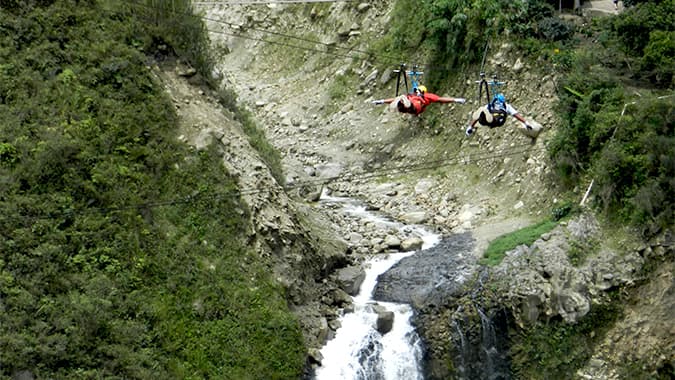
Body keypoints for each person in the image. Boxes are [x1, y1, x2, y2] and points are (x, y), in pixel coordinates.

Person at [465, 93, 541, 138]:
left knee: (481, 112)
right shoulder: (506, 106)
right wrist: (526, 123)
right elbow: (516, 115)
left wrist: (470, 126)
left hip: (490, 121)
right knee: (483, 115)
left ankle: (472, 128)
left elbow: (478, 116)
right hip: (499, 122)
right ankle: (473, 127)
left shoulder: (490, 105)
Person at [372, 85, 466, 115]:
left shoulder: (427, 96)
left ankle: (401, 103)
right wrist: (381, 101)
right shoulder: (412, 95)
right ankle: (397, 105)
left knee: (403, 97)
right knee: (401, 98)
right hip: (408, 108)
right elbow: (393, 99)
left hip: (416, 107)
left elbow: (441, 99)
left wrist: (455, 100)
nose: (416, 92)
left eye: (418, 91)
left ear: (422, 91)